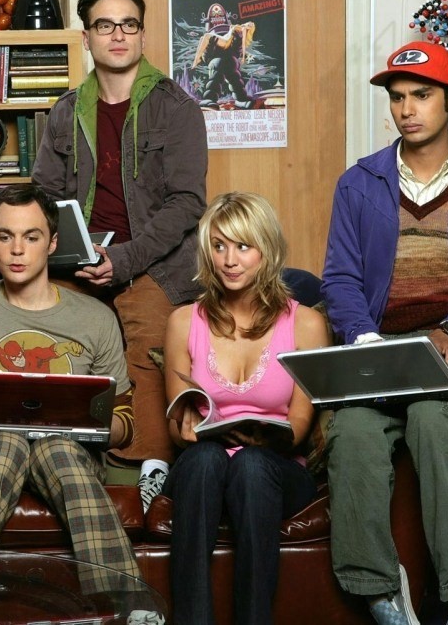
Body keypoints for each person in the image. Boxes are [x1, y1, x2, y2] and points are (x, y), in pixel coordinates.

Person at [321, 41, 448, 625]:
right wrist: (362, 338)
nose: (406, 109)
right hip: (381, 347)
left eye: (421, 95)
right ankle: (381, 594)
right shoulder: (359, 183)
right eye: (397, 98)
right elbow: (340, 280)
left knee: (432, 419)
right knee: (352, 432)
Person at [30, 0, 209, 465]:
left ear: (142, 35)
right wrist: (27, 242)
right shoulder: (66, 112)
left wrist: (125, 259)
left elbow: (187, 203)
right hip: (77, 261)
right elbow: (43, 197)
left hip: (155, 264)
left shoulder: (177, 108)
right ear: (86, 37)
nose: (118, 35)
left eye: (129, 25)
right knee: (48, 339)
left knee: (150, 346)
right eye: (105, 25)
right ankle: (59, 459)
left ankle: (140, 471)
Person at [0, 184, 141, 593]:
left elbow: (125, 422)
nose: (17, 250)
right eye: (4, 236)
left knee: (55, 447)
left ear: (52, 243)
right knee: (7, 443)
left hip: (70, 454)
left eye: (31, 237)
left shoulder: (95, 317)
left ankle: (121, 604)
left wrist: (91, 425)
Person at [161, 191, 328, 625]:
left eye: (242, 246)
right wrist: (190, 428)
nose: (229, 260)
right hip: (204, 469)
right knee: (205, 458)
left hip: (275, 470)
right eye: (219, 246)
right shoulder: (183, 321)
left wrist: (268, 438)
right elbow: (179, 421)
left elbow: (300, 423)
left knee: (252, 466)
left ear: (266, 250)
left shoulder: (306, 323)